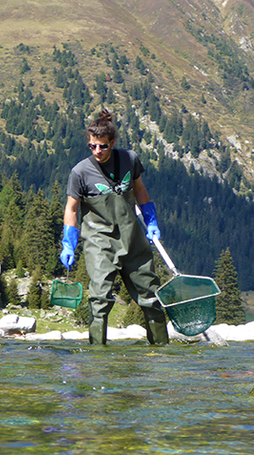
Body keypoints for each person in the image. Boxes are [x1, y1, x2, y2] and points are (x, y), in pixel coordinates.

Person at [60, 109, 169, 345]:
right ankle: (98, 358)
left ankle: (162, 353)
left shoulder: (129, 159)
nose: (97, 151)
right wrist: (68, 242)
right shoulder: (80, 172)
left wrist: (151, 221)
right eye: (92, 146)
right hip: (99, 241)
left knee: (150, 297)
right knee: (99, 299)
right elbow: (71, 208)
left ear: (113, 142)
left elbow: (139, 190)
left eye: (102, 146)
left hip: (133, 239)